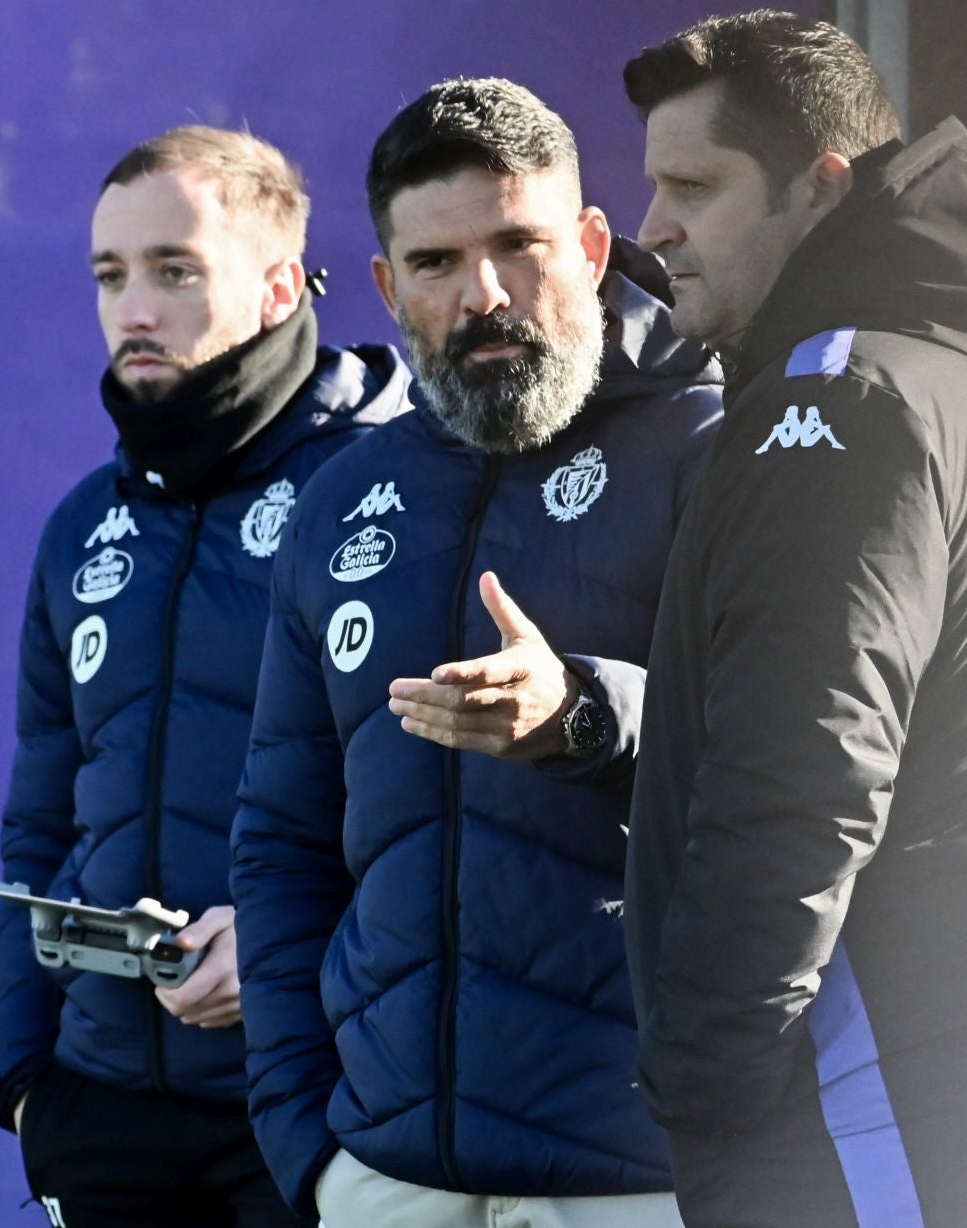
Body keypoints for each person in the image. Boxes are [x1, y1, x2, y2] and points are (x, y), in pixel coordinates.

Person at [620, 11, 967, 1227]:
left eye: (693, 186)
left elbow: (796, 784)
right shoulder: (960, 369)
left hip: (889, 1092)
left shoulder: (839, 395)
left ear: (819, 191)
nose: (652, 227)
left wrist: (700, 1084)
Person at [229, 78, 720, 1228]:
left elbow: (808, 766)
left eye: (519, 244)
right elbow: (282, 841)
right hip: (388, 1174)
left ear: (593, 246)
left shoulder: (719, 450)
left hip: (646, 1176)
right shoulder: (342, 499)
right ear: (391, 287)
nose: (486, 294)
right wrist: (309, 1140)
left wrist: (586, 712)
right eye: (439, 263)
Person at [0, 126, 411, 1228]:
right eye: (109, 275)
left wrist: (283, 950)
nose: (134, 308)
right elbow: (41, 818)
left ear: (278, 286)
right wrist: (27, 1084)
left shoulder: (389, 488)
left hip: (318, 1100)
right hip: (103, 1109)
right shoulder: (85, 526)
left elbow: (449, 816)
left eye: (175, 270)